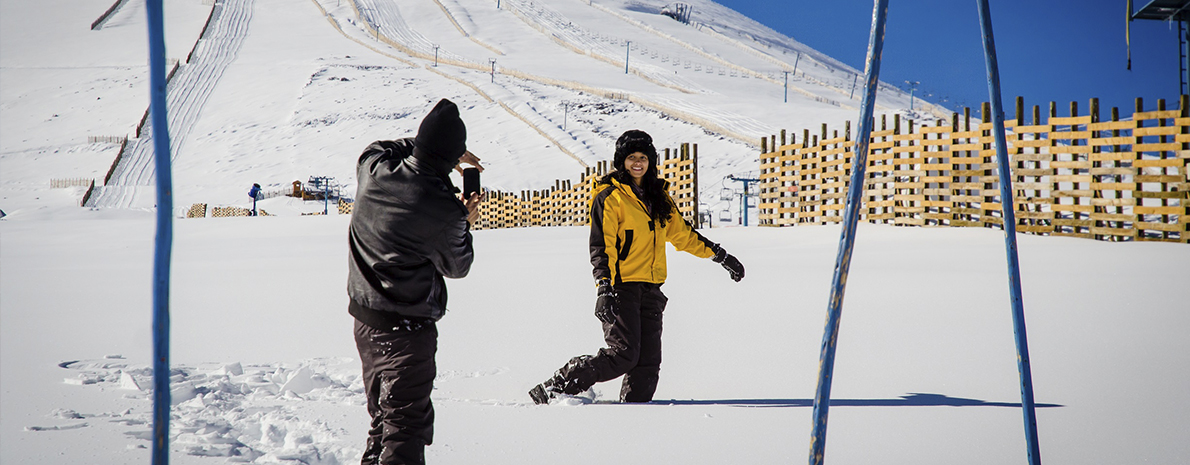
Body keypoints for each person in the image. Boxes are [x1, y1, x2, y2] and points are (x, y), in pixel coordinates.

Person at [529, 129, 745, 405]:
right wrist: (604, 287)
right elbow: (601, 247)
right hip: (622, 288)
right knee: (623, 355)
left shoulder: (659, 199)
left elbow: (684, 235)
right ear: (622, 161)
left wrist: (721, 256)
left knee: (648, 363)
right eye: (632, 157)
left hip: (652, 289)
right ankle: (558, 384)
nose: (638, 162)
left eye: (643, 157)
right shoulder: (610, 198)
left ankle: (634, 414)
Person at [347, 98, 483, 465]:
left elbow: (377, 147)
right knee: (405, 430)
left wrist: (427, 145)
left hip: (363, 320)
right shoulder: (441, 208)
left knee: (384, 422)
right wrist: (464, 220)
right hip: (404, 330)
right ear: (451, 159)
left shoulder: (374, 169)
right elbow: (459, 266)